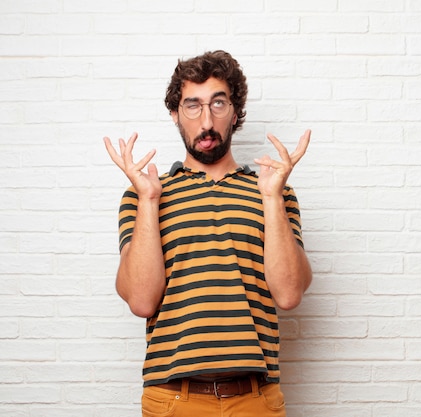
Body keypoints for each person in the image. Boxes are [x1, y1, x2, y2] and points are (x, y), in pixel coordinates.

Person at [103, 50, 312, 417]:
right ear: (175, 114)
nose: (207, 120)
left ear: (235, 112)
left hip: (256, 400)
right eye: (192, 105)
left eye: (218, 103)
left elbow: (289, 293)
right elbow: (140, 301)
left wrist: (271, 198)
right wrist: (150, 199)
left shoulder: (274, 192)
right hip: (172, 401)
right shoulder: (142, 195)